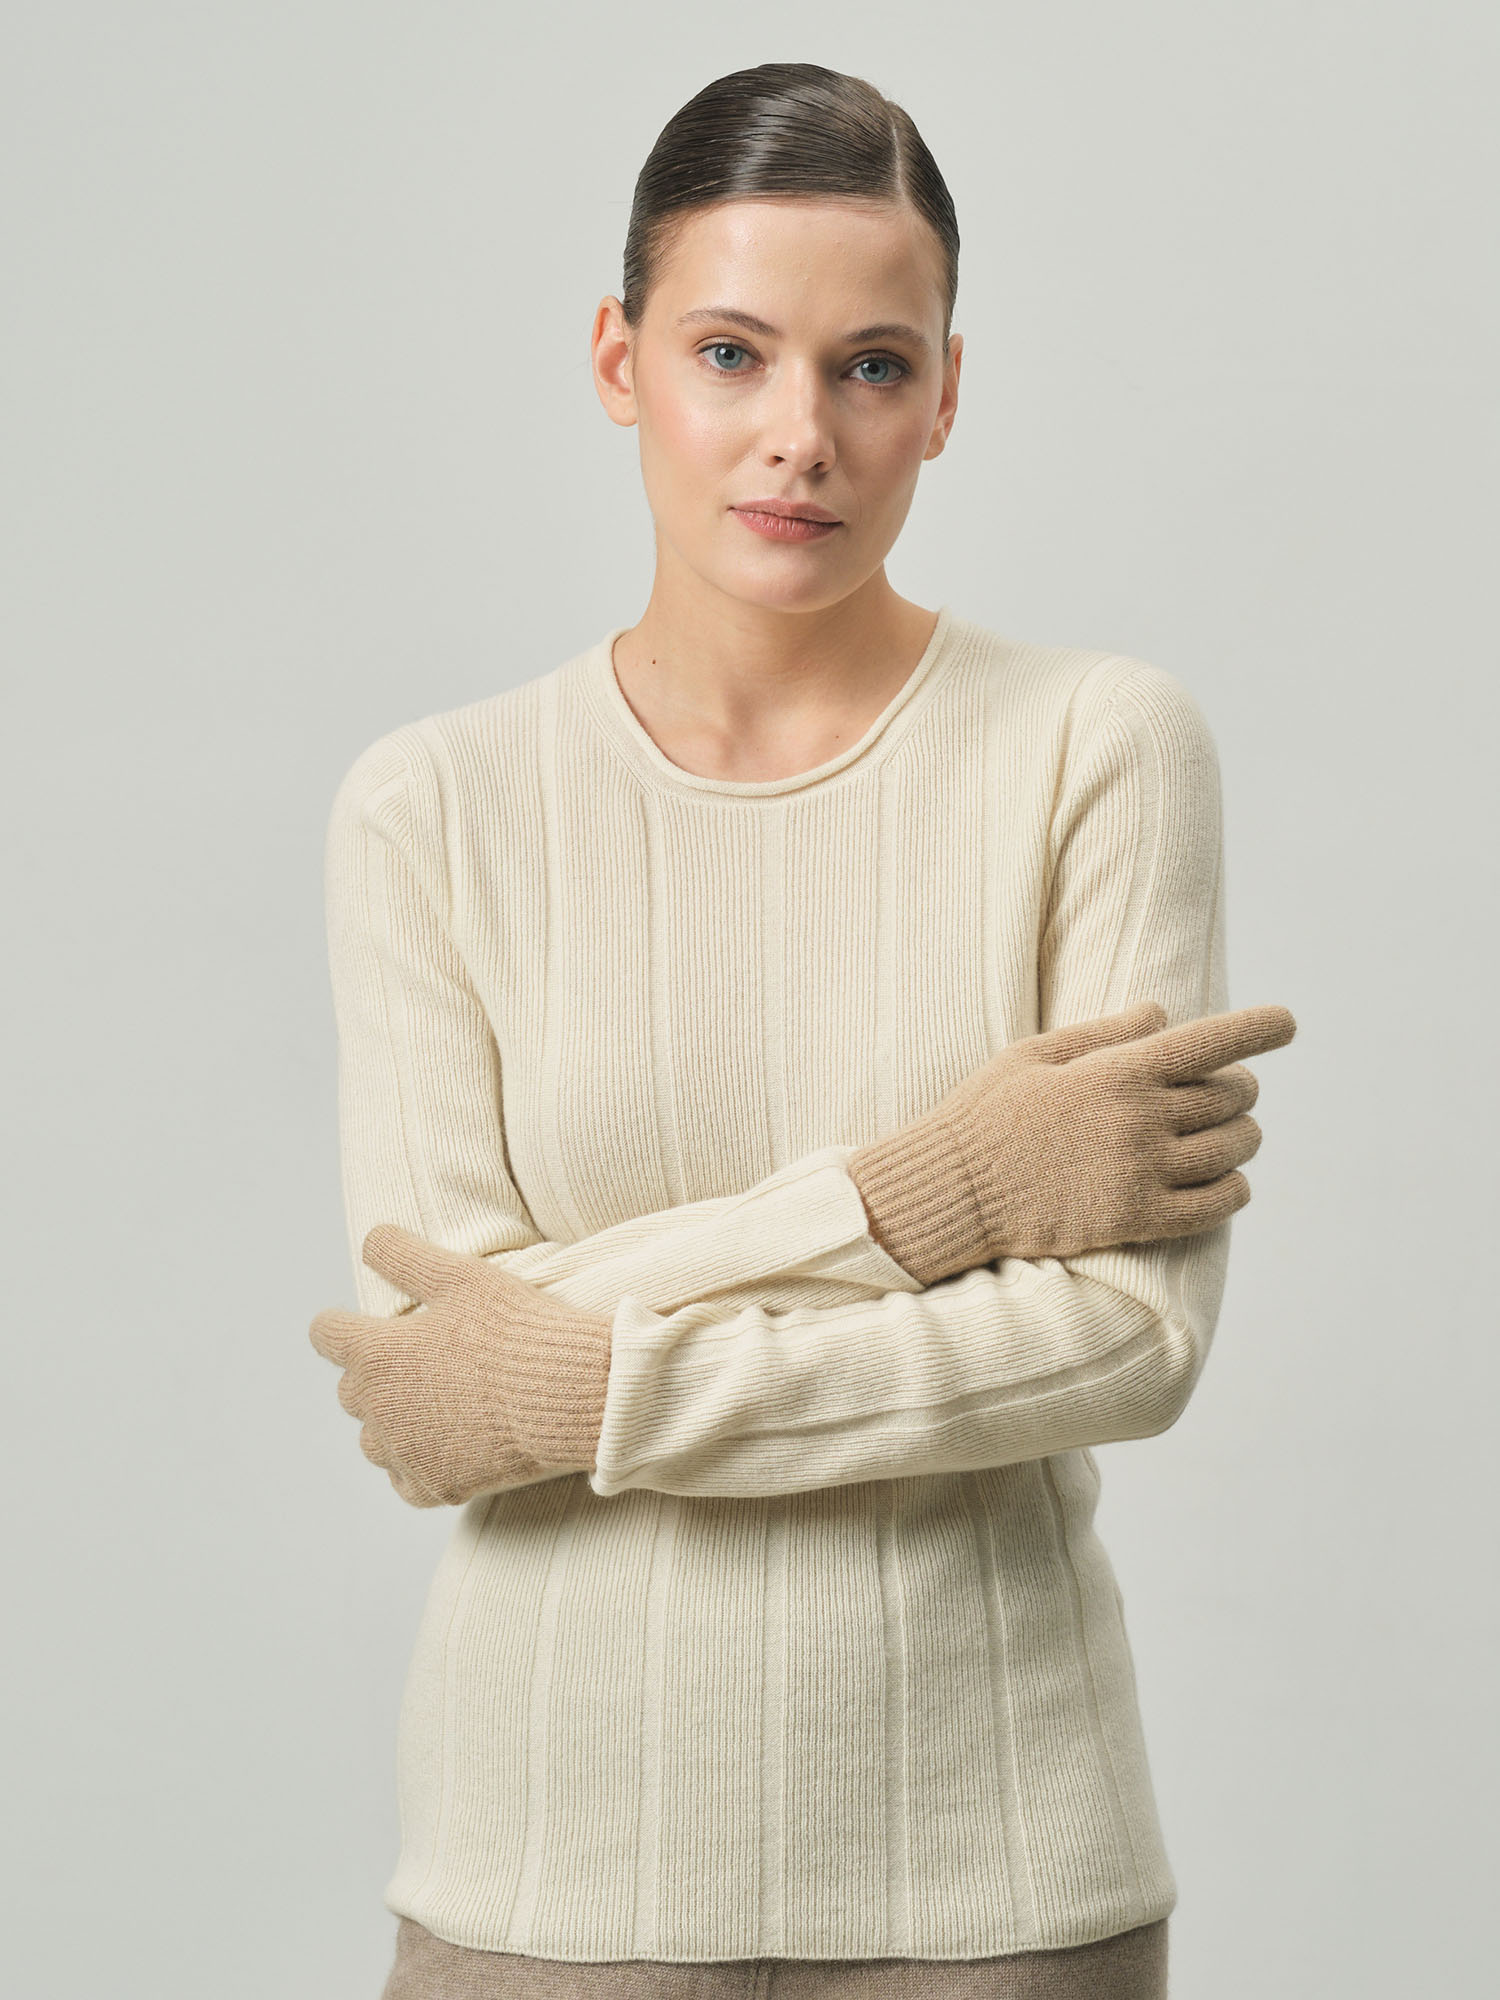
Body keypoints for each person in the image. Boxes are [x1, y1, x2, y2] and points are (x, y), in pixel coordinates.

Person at [308, 60, 1296, 2000]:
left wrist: (593, 1390)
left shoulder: (1097, 746)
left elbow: (1127, 1338)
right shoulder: (432, 809)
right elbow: (438, 1369)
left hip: (996, 1878)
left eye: (870, 367)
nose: (800, 436)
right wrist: (931, 1199)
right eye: (731, 353)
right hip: (546, 1872)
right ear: (620, 361)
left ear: (946, 394)